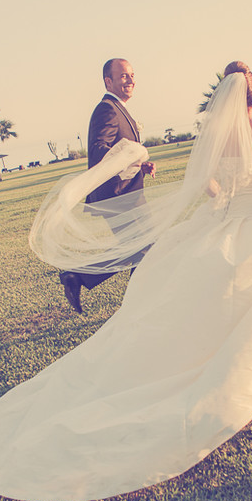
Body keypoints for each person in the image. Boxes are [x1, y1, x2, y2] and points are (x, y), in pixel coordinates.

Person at [0, 61, 252, 501]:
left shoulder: (214, 135)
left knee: (195, 286)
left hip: (223, 216)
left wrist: (225, 200)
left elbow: (203, 181)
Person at [59, 58, 156, 313]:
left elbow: (117, 152)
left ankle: (137, 305)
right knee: (144, 248)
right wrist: (133, 158)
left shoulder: (119, 108)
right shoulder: (107, 109)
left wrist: (139, 166)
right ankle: (136, 307)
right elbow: (99, 150)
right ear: (108, 81)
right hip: (117, 196)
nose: (131, 80)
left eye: (132, 75)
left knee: (141, 250)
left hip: (129, 193)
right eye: (124, 76)